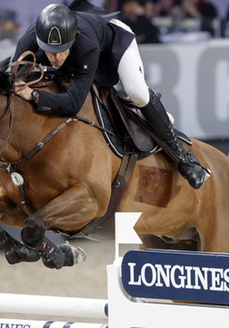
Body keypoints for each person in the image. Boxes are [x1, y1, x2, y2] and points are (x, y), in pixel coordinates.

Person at [12, 3, 209, 189]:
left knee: (136, 92)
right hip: (84, 43)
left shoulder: (85, 45)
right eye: (49, 51)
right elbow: (9, 79)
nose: (54, 58)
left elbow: (73, 104)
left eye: (60, 51)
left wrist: (35, 95)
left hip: (112, 43)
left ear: (73, 39)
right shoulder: (27, 42)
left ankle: (184, 158)